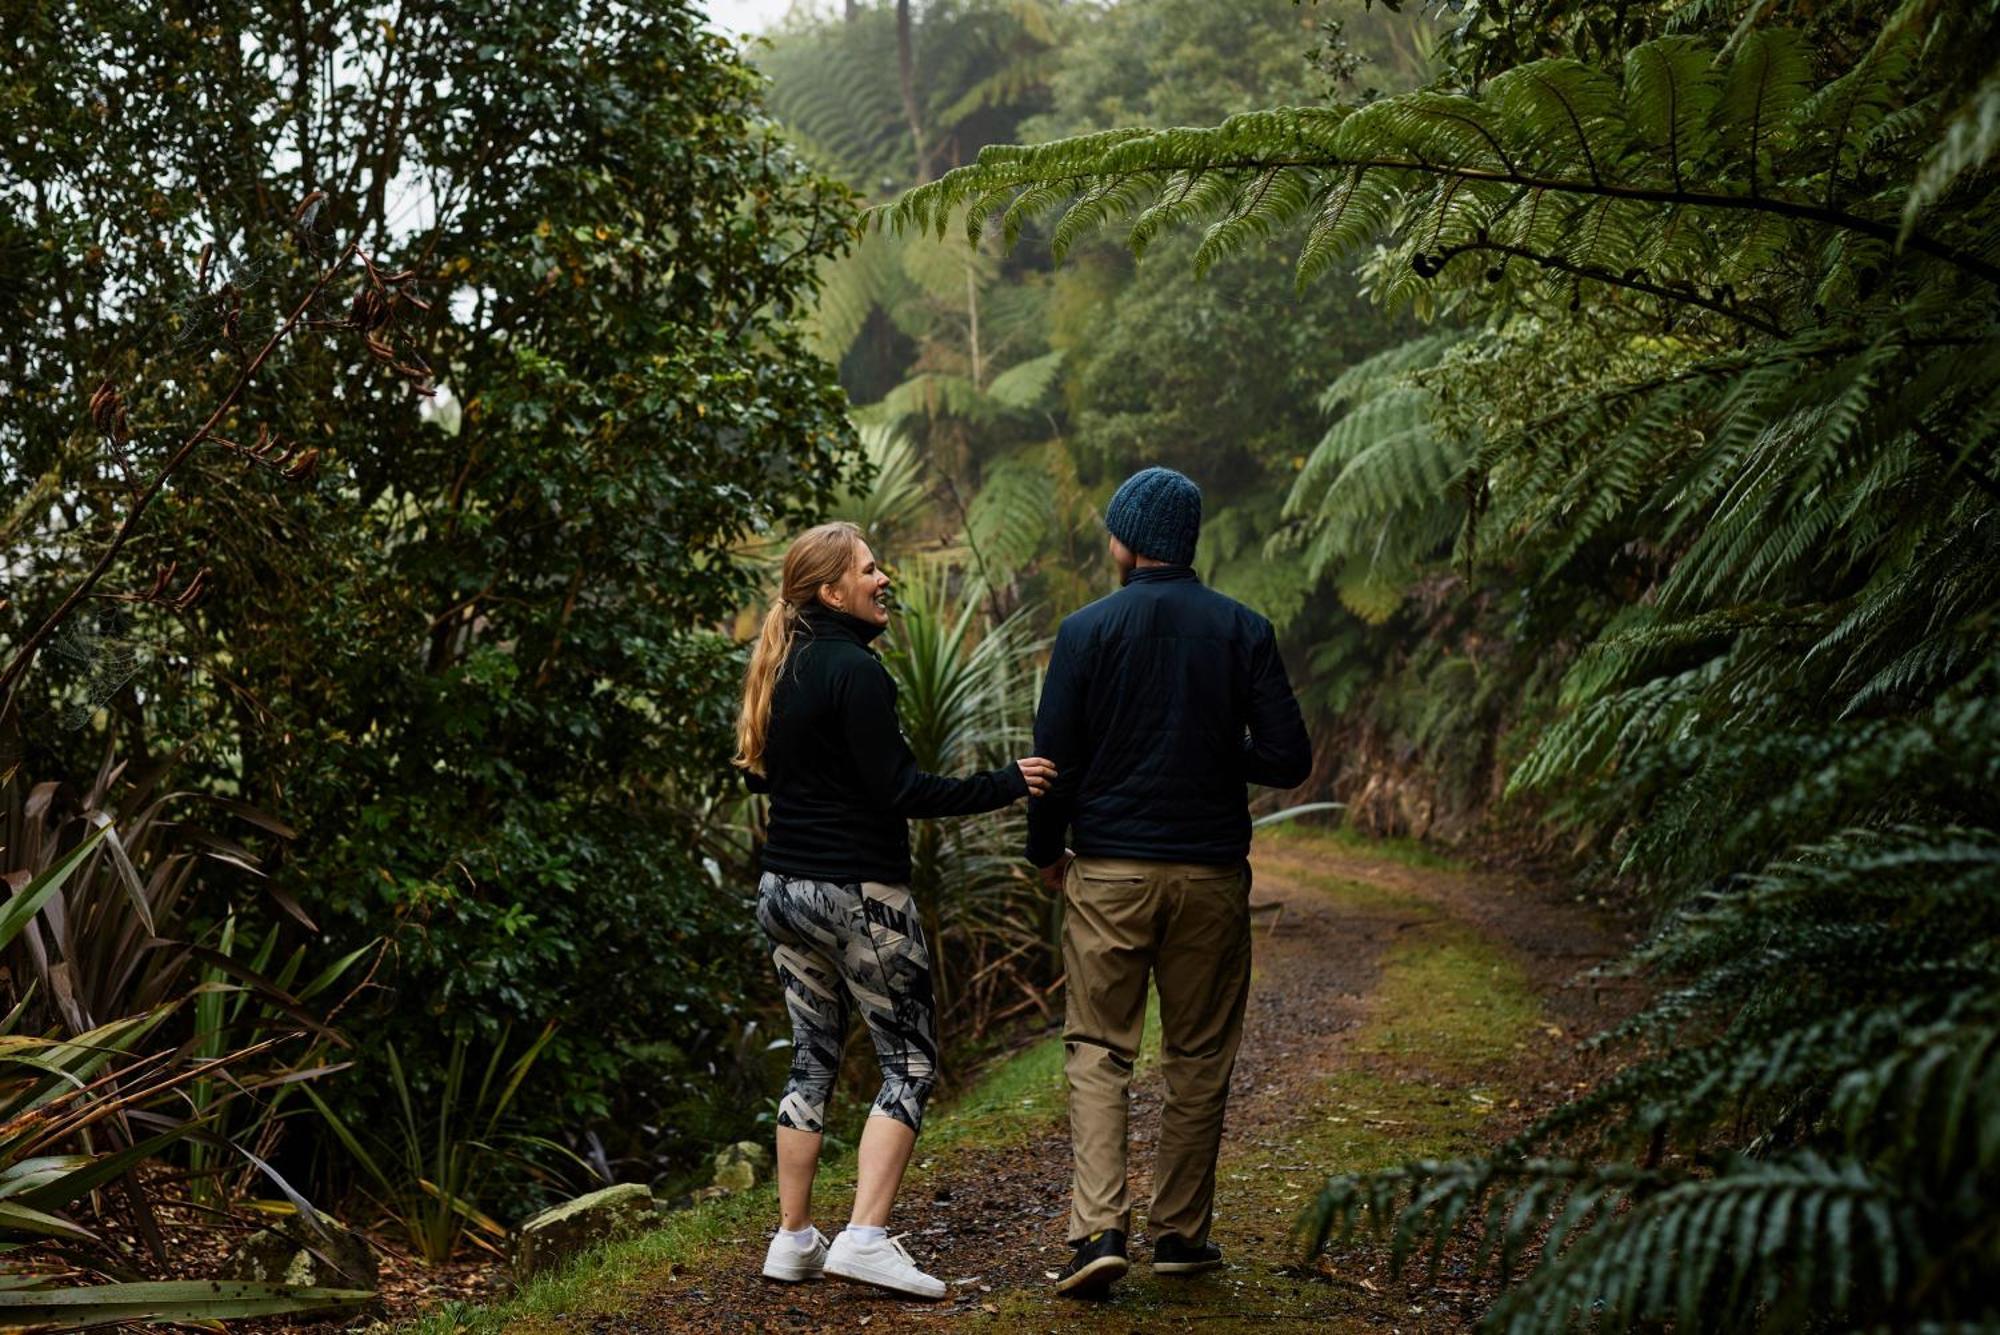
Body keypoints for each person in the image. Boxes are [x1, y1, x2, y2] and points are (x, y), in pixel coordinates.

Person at [733, 521, 1056, 1299]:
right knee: (909, 1061)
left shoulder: (780, 666)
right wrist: (1008, 782)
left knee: (812, 1054)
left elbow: (763, 780)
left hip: (783, 892)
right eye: (870, 569)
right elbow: (902, 790)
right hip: (858, 895)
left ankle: (793, 1238)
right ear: (830, 590)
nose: (885, 579)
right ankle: (867, 1236)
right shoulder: (857, 671)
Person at [1026, 467, 1312, 1299]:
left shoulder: (1084, 631)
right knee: (1197, 1055)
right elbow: (1289, 757)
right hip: (1211, 876)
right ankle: (1182, 1233)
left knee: (1099, 1049)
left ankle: (1098, 1233)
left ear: (1128, 539)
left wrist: (1048, 850)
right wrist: (1225, 750)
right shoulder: (1242, 629)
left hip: (1109, 870)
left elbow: (1053, 762)